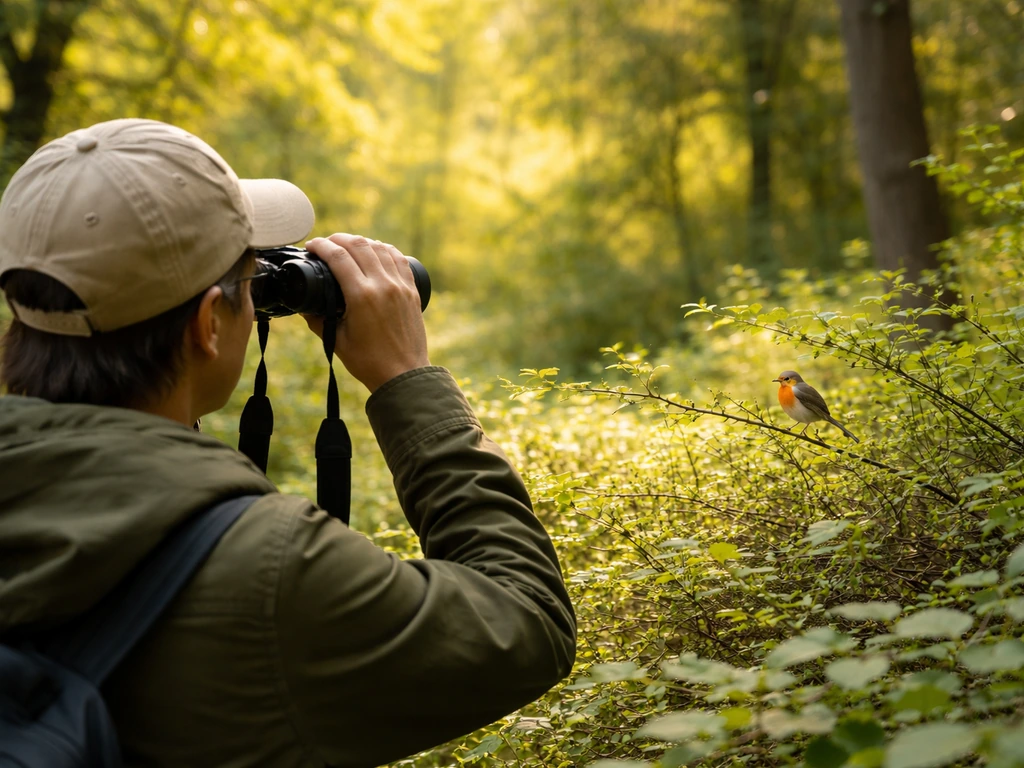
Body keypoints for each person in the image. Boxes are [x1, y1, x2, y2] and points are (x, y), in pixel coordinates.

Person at [0, 118, 576, 767]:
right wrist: (406, 376)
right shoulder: (271, 571)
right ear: (206, 326)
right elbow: (527, 622)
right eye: (249, 283)